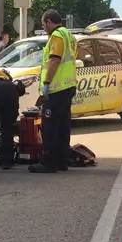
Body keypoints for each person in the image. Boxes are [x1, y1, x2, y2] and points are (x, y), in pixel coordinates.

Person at [29, 10, 77, 174]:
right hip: (68, 86)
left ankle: (49, 163)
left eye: (43, 25)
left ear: (49, 22)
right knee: (63, 126)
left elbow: (54, 60)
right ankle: (62, 161)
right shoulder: (69, 36)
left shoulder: (57, 36)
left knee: (49, 126)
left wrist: (47, 83)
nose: (44, 28)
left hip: (57, 87)